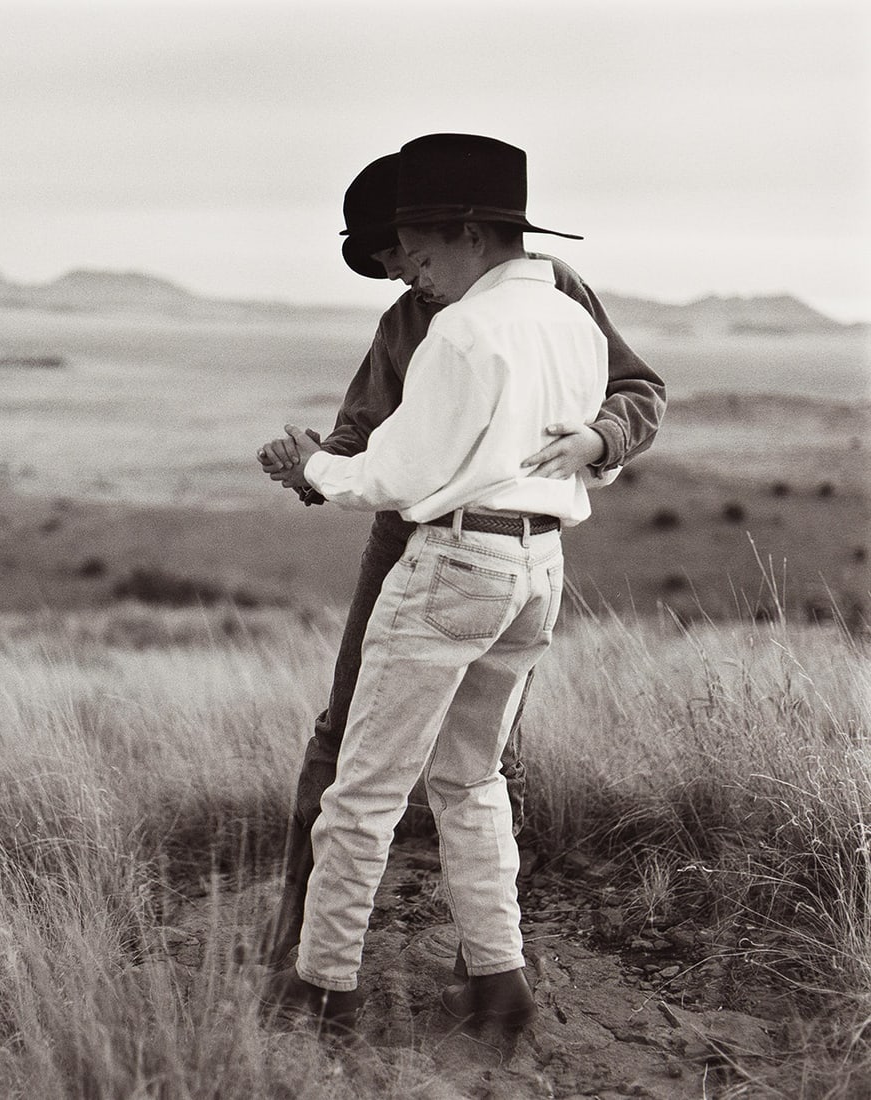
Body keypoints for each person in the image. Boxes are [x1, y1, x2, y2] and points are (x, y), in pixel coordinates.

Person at [259, 132, 643, 1040]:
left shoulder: (461, 329)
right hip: (535, 565)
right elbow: (581, 427)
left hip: (449, 559)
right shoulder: (568, 319)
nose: (408, 274)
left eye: (415, 251)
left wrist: (315, 469)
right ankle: (499, 985)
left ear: (467, 231)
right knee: (473, 780)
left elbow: (393, 471)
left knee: (364, 786)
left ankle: (319, 988)